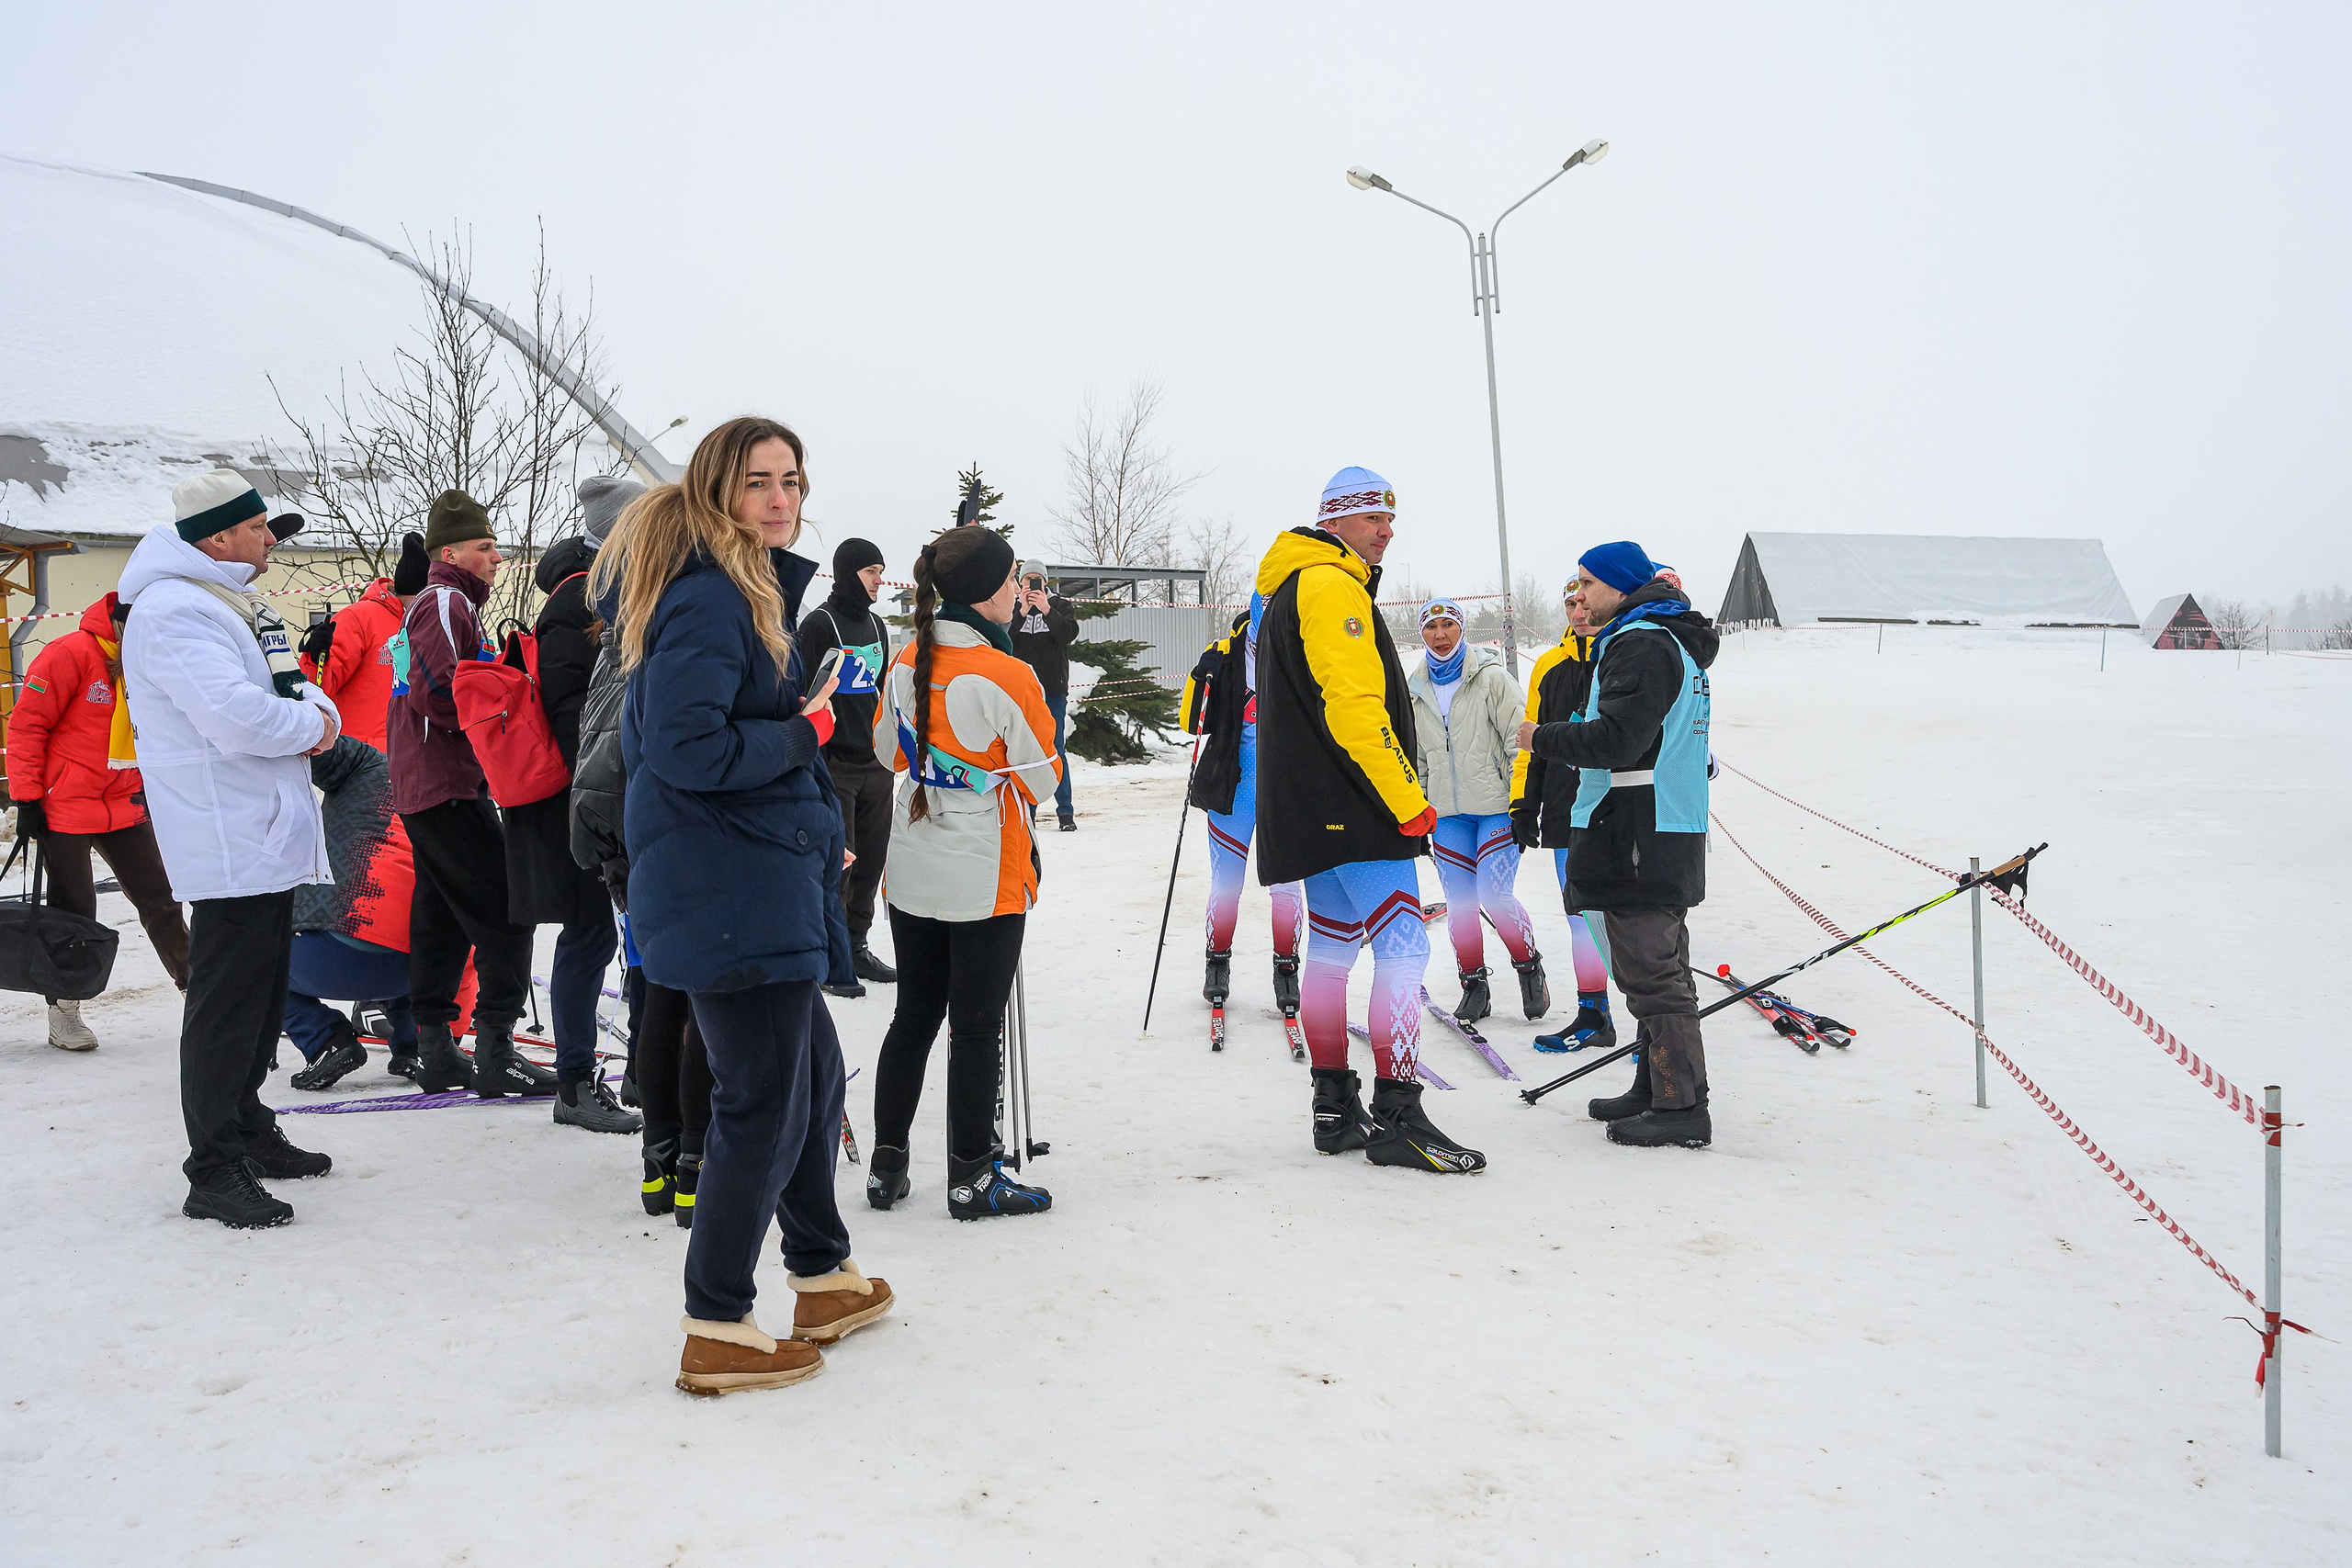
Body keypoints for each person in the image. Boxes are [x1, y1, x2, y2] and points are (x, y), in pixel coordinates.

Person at [594, 415, 891, 1394]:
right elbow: (688, 752)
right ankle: (717, 1319)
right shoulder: (713, 599)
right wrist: (806, 733)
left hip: (751, 873)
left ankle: (820, 1272)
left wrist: (806, 809)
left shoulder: (745, 591)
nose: (779, 499)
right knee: (762, 1099)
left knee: (810, 1074)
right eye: (758, 481)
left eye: (792, 480)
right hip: (726, 888)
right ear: (718, 490)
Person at [119, 468, 339, 1228]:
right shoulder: (175, 611)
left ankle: (245, 1124)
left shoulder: (227, 602)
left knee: (262, 994)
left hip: (262, 829)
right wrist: (317, 725)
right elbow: (240, 719)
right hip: (227, 834)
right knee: (225, 1004)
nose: (271, 539)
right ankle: (212, 1165)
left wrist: (312, 712)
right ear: (218, 537)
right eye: (258, 528)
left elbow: (294, 690)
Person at [1253, 468, 1482, 1174]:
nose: (1387, 532)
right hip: (1351, 806)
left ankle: (1332, 1106)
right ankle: (1398, 1113)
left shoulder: (1288, 586)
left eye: (1392, 520)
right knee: (1406, 949)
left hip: (1306, 807)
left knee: (1330, 950)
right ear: (1337, 520)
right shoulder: (1329, 584)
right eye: (1374, 519)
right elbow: (1355, 710)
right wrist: (1406, 797)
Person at [865, 525, 1061, 1219]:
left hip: (914, 863)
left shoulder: (908, 656)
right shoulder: (1008, 673)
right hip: (986, 870)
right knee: (976, 1026)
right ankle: (973, 1175)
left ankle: (887, 1165)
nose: (1019, 591)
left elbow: (889, 752)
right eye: (1012, 580)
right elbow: (1041, 779)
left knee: (914, 1012)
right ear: (985, 590)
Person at [1518, 540, 1719, 1148]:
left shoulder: (1643, 642)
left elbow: (1617, 741)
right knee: (1649, 966)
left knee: (1653, 972)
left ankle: (1681, 1105)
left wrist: (1540, 736)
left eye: (1587, 582)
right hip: (1659, 822)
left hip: (1639, 827)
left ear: (1621, 586)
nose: (1578, 595)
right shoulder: (1665, 638)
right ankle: (1653, 1085)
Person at [387, 490, 553, 1100]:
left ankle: (435, 1047)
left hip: (424, 781)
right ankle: (497, 1046)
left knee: (441, 913)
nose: (496, 556)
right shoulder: (448, 601)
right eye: (485, 547)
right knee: (508, 905)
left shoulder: (434, 603)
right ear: (450, 550)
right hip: (446, 781)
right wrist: (505, 703)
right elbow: (439, 692)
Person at [6, 590, 190, 1049]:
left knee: (162, 899)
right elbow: (28, 726)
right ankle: (64, 1011)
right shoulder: (69, 653)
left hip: (122, 800)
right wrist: (27, 798)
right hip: (63, 804)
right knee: (75, 912)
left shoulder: (144, 660)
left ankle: (200, 993)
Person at [504, 509, 636, 1135]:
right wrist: (606, 785)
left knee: (621, 937)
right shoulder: (574, 602)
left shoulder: (612, 591)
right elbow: (570, 711)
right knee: (589, 935)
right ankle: (577, 1081)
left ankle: (639, 1065)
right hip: (588, 800)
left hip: (609, 792)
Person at [1404, 596, 1547, 1023]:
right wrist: (1418, 813)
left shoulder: (1492, 678)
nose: (1440, 635)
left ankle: (1528, 967)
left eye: (1448, 625)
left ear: (1462, 629)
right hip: (1447, 814)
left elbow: (1518, 740)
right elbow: (1418, 760)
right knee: (1461, 904)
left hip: (1496, 808)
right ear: (1422, 634)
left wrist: (1522, 802)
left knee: (1493, 894)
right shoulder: (1415, 689)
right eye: (1431, 628)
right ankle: (1474, 986)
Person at [1179, 601, 1305, 1021]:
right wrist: (1201, 678)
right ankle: (1217, 961)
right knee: (1227, 884)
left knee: (1286, 888)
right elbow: (1191, 725)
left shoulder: (1300, 652)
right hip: (1232, 788)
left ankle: (1286, 969)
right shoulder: (1227, 655)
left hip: (1284, 789)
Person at [1513, 573, 1617, 1055]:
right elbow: (1530, 740)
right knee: (1580, 917)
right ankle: (1593, 1014)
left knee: (1627, 919)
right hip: (1565, 813)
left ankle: (1651, 1022)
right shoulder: (1549, 666)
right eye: (1570, 604)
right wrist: (1523, 804)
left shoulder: (1624, 654)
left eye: (1584, 602)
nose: (1578, 612)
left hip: (1619, 810)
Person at [794, 536, 898, 985]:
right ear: (848, 573)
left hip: (875, 763)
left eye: (880, 571)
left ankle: (857, 944)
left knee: (872, 861)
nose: (878, 580)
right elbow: (804, 689)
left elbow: (881, 688)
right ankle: (831, 951)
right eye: (871, 571)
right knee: (839, 862)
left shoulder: (878, 627)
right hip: (835, 764)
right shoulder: (819, 624)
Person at [297, 533, 427, 751]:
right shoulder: (359, 618)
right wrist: (314, 657)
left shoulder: (427, 625)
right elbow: (316, 688)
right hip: (363, 761)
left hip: (414, 756)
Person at [1006, 566, 1080, 831]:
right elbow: (1004, 640)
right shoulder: (1011, 608)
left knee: (1056, 750)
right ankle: (1029, 813)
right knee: (1025, 753)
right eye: (1026, 580)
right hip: (1021, 691)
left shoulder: (1060, 605)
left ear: (1045, 582)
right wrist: (1023, 611)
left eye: (1036, 580)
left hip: (1053, 690)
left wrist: (1047, 610)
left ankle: (1066, 813)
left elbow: (1068, 634)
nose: (1031, 585)